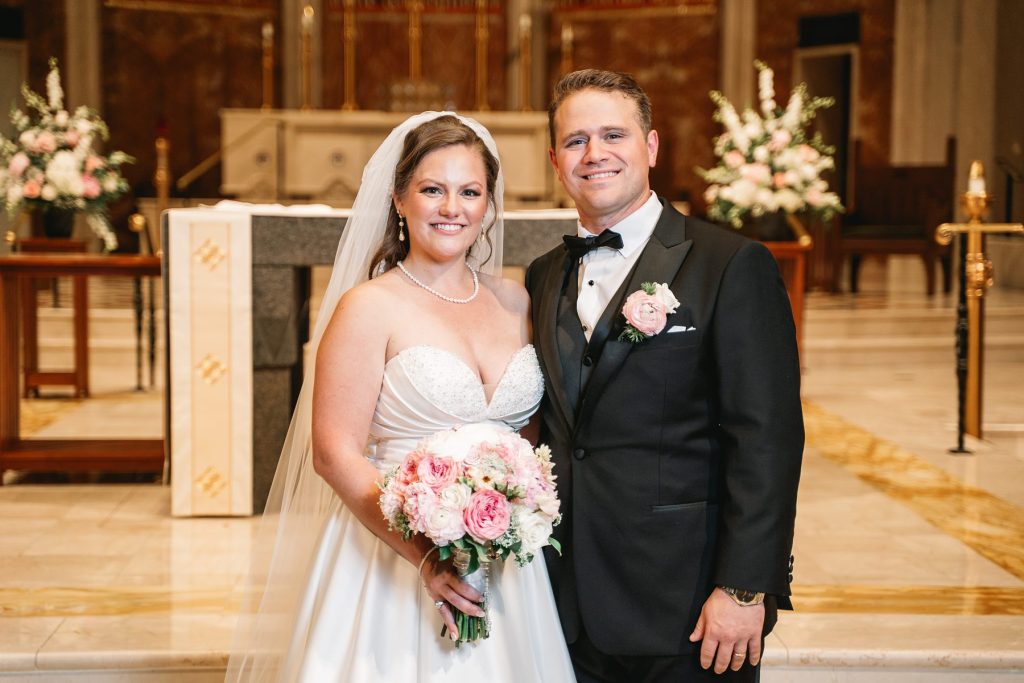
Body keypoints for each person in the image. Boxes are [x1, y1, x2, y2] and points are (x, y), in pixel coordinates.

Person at [226, 112, 575, 682]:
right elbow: (334, 452)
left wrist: (512, 509)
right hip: (390, 557)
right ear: (398, 199)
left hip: (508, 564)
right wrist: (427, 556)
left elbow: (528, 438)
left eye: (470, 192)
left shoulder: (516, 301)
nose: (451, 208)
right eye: (432, 189)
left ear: (488, 204)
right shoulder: (368, 307)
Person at [525, 69, 804, 682]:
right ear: (554, 158)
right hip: (562, 605)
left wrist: (744, 588)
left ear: (650, 147)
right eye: (575, 141)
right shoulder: (543, 275)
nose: (594, 154)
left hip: (690, 610)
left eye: (613, 135)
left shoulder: (731, 265)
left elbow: (767, 441)